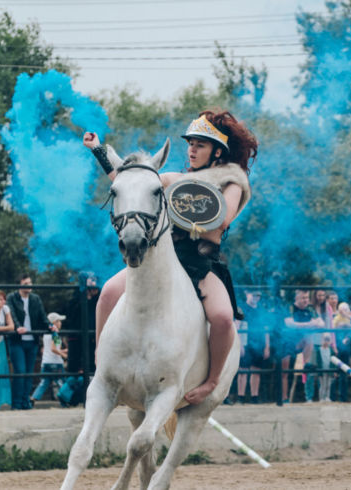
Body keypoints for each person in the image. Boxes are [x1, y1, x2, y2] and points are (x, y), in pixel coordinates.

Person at [84, 109, 257, 405]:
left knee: (223, 318)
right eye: (190, 143)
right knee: (108, 293)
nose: (191, 149)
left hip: (201, 264)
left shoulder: (233, 182)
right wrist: (100, 150)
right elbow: (130, 182)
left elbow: (223, 219)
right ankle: (103, 366)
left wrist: (182, 195)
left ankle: (212, 381)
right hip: (163, 259)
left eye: (199, 145)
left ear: (217, 151)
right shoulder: (174, 178)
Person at [6, 273, 50, 410]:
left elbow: (42, 316)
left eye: (30, 283)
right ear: (19, 285)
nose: (29, 286)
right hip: (17, 340)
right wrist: (18, 326)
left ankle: (26, 402)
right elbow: (11, 314)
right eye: (25, 284)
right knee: (20, 371)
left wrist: (50, 325)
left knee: (29, 372)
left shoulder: (35, 299)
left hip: (32, 340)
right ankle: (17, 403)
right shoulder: (12, 297)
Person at [281, 289, 320, 403]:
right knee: (284, 372)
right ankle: (284, 398)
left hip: (301, 341)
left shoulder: (311, 309)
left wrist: (304, 326)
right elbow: (289, 323)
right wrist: (308, 325)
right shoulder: (290, 308)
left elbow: (320, 323)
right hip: (286, 341)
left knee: (309, 337)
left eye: (307, 298)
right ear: (296, 298)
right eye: (303, 298)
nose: (306, 300)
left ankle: (305, 363)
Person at [237, 289, 270, 404]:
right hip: (245, 343)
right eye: (253, 294)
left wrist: (267, 346)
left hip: (259, 343)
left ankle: (254, 396)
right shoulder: (241, 308)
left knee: (256, 370)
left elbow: (266, 329)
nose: (256, 297)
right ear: (247, 293)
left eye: (258, 295)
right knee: (243, 371)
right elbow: (237, 327)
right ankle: (240, 397)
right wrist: (239, 345)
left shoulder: (262, 310)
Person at [31, 312, 68, 405]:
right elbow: (54, 349)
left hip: (46, 362)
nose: (60, 323)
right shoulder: (55, 334)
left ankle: (33, 398)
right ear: (54, 322)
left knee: (43, 383)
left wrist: (63, 351)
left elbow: (49, 348)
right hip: (56, 363)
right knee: (61, 383)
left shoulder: (46, 334)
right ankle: (65, 401)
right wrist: (64, 356)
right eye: (59, 321)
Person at [331, 302, 351, 402]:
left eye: (346, 309)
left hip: (346, 348)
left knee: (344, 373)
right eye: (342, 309)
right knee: (333, 373)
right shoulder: (336, 318)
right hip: (336, 347)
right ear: (338, 310)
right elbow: (332, 330)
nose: (344, 311)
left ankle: (343, 398)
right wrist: (345, 325)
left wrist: (346, 324)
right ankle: (332, 397)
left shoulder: (349, 318)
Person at [316, 333, 334, 402]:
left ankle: (327, 397)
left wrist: (333, 371)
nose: (326, 341)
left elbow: (332, 361)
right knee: (322, 385)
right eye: (325, 339)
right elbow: (318, 361)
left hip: (329, 370)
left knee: (328, 385)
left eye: (328, 340)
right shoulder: (318, 350)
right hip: (322, 370)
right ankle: (322, 398)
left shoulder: (331, 350)